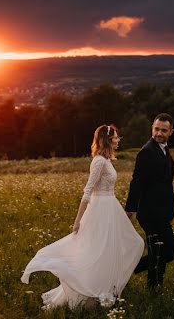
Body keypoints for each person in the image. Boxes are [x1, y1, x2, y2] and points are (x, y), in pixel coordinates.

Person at [21, 124, 144, 309]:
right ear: (108, 139)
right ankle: (90, 292)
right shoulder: (99, 162)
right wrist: (78, 220)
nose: (119, 140)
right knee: (97, 251)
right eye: (117, 137)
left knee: (127, 245)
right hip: (100, 211)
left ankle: (106, 287)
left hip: (111, 208)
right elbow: (87, 191)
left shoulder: (107, 160)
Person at [125, 113, 174, 289]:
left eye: (164, 130)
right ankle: (131, 268)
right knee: (168, 252)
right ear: (152, 128)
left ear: (171, 132)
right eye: (156, 129)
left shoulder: (164, 150)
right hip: (149, 213)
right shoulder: (146, 152)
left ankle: (154, 286)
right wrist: (130, 209)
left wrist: (170, 212)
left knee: (161, 251)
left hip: (162, 212)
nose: (159, 133)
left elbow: (166, 185)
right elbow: (137, 181)